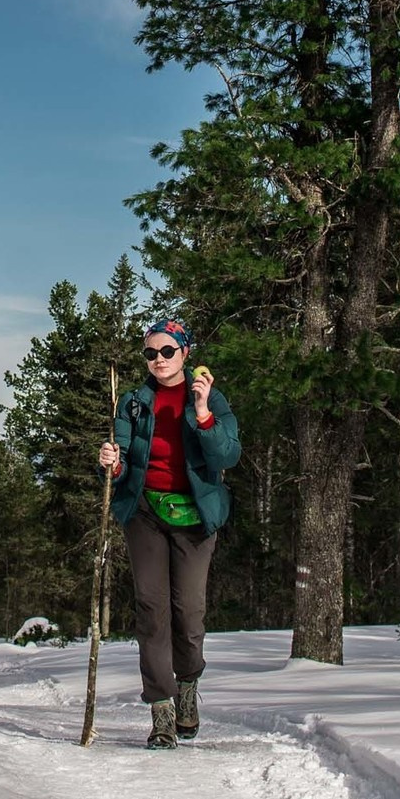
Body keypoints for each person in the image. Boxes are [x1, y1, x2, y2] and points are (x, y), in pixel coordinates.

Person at [96, 317, 240, 750]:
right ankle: (162, 711)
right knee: (152, 610)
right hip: (146, 512)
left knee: (189, 612)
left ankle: (189, 685)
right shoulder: (134, 402)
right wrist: (112, 462)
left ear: (185, 353)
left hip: (195, 517)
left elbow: (227, 455)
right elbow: (123, 461)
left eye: (166, 351)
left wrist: (202, 414)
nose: (158, 360)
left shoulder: (211, 399)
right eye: (150, 353)